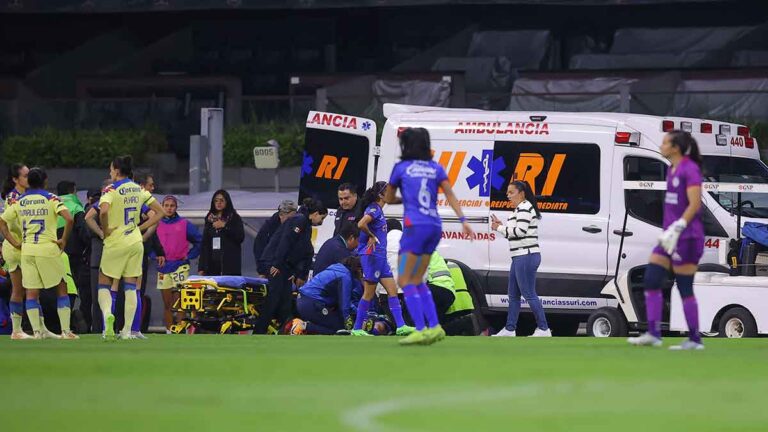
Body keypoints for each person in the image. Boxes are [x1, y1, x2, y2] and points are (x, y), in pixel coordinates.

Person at [385, 127, 473, 345]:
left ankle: (422, 329)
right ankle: (434, 328)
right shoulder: (436, 168)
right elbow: (450, 195)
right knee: (418, 279)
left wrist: (405, 198)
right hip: (434, 227)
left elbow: (388, 197)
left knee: (405, 281)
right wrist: (463, 221)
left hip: (415, 226)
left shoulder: (402, 167)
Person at [628, 131, 705, 350]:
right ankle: (653, 334)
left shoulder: (690, 169)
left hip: (688, 237)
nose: (660, 145)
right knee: (651, 278)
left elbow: (694, 204)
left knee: (684, 286)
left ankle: (694, 339)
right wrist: (669, 231)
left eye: (664, 142)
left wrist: (679, 226)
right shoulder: (671, 169)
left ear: (675, 148)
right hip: (669, 236)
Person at [0, 167, 78, 339]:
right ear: (45, 181)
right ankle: (66, 331)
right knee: (61, 286)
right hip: (47, 248)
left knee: (31, 291)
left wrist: (14, 242)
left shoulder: (20, 201)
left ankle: (36, 331)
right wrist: (63, 239)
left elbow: (2, 221)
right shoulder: (51, 198)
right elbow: (69, 218)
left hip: (27, 249)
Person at [96, 156, 163, 341]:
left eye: (111, 169)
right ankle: (127, 331)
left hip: (116, 241)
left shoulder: (111, 188)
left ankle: (108, 316)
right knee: (131, 286)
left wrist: (106, 227)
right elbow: (161, 212)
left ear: (117, 171)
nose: (110, 172)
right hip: (135, 242)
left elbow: (102, 211)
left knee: (104, 282)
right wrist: (139, 228)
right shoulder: (138, 189)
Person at [255, 197, 328, 334]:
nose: (321, 222)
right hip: (275, 263)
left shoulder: (304, 223)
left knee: (285, 300)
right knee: (274, 298)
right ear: (316, 213)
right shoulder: (300, 221)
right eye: (321, 218)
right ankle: (259, 331)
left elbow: (302, 250)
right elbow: (285, 242)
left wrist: (293, 271)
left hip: (282, 265)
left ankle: (284, 330)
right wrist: (276, 264)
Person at [352, 181, 413, 336]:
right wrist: (372, 236)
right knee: (368, 294)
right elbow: (361, 224)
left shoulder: (378, 209)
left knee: (393, 291)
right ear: (380, 195)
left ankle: (401, 326)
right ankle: (357, 328)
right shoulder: (373, 209)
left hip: (380, 258)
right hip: (372, 257)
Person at [491, 180, 550, 337]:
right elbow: (515, 234)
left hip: (526, 255)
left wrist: (499, 228)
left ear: (522, 193)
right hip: (520, 256)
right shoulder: (520, 209)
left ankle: (544, 328)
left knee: (529, 293)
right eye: (507, 193)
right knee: (513, 295)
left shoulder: (524, 208)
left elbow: (519, 232)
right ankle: (510, 329)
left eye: (511, 192)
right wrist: (502, 228)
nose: (508, 196)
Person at [154, 195, 202, 332]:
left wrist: (190, 255)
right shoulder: (156, 223)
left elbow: (199, 241)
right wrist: (155, 256)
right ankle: (169, 331)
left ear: (176, 207)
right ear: (162, 206)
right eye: (166, 205)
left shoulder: (184, 224)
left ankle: (180, 329)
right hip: (163, 268)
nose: (169, 208)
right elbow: (149, 243)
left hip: (180, 267)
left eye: (172, 206)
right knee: (167, 304)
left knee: (180, 302)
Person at [292, 256, 362, 335]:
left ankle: (303, 326)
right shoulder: (345, 277)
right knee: (340, 327)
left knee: (333, 321)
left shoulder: (337, 269)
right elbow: (344, 306)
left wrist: (358, 311)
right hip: (312, 303)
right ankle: (303, 326)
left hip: (303, 300)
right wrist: (349, 323)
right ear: (358, 269)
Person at [56, 181, 90, 328]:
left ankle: (54, 323)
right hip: (74, 255)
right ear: (73, 191)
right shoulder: (76, 208)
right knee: (71, 288)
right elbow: (84, 233)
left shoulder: (52, 205)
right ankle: (68, 324)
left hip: (51, 254)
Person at [199, 190, 244, 276]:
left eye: (222, 200)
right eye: (216, 200)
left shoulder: (234, 218)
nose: (218, 203)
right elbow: (205, 244)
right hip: (212, 266)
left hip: (229, 266)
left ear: (227, 202)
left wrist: (225, 227)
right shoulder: (209, 219)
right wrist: (201, 267)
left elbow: (240, 237)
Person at [253, 200, 297, 276]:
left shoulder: (296, 224)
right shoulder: (268, 229)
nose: (292, 221)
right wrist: (262, 270)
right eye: (290, 218)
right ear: (281, 215)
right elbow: (259, 248)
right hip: (270, 269)